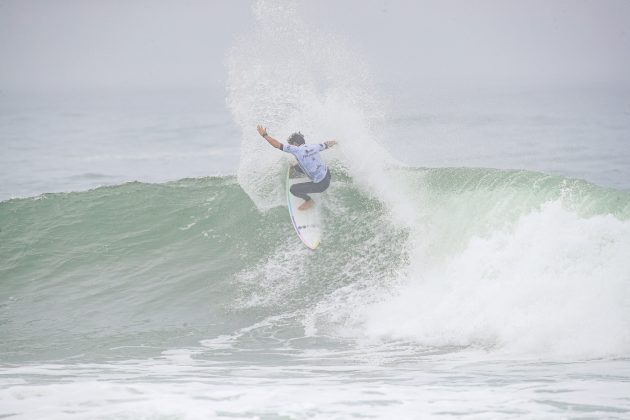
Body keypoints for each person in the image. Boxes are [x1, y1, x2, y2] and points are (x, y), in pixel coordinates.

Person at [257, 125, 337, 210]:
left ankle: (309, 201)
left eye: (291, 144)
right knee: (299, 166)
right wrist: (336, 141)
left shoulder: (296, 150)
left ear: (295, 144)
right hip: (327, 176)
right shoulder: (314, 146)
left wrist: (265, 135)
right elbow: (328, 144)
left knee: (293, 189)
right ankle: (297, 168)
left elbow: (277, 145)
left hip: (321, 185)